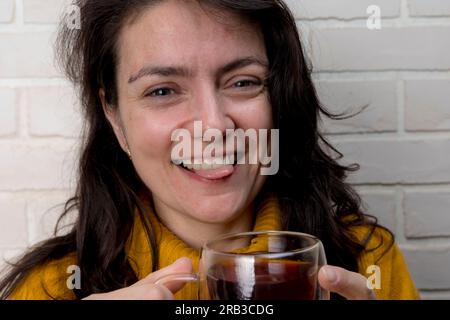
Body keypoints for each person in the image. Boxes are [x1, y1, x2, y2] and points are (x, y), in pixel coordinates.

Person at [0, 0, 419, 300]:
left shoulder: (367, 260)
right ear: (114, 117)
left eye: (243, 82)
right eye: (162, 90)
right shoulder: (48, 289)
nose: (214, 125)